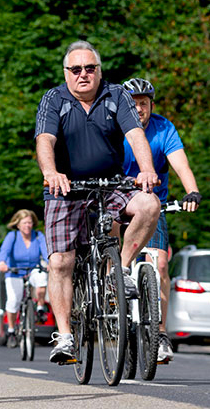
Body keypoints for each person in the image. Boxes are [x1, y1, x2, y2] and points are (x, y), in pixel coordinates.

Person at [35, 41, 161, 364]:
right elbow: (45, 140)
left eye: (90, 68)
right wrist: (51, 173)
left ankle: (119, 268)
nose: (83, 75)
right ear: (66, 74)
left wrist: (147, 169)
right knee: (61, 261)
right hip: (66, 188)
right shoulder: (54, 99)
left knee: (150, 205)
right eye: (75, 69)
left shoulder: (116, 94)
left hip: (110, 183)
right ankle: (64, 336)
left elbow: (135, 135)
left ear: (99, 70)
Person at [121, 78, 201, 364]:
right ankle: (110, 293)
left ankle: (161, 332)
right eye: (133, 103)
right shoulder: (114, 126)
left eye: (143, 103)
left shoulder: (163, 127)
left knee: (161, 264)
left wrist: (191, 190)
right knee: (112, 251)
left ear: (151, 105)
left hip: (154, 205)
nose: (139, 108)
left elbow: (180, 162)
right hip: (118, 202)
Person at [0, 209, 49, 346]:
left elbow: (45, 251)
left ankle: (39, 308)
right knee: (13, 301)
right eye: (25, 223)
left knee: (42, 277)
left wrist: (50, 263)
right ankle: (11, 331)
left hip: (33, 269)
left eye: (30, 223)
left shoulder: (38, 236)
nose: (28, 226)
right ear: (18, 224)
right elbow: (4, 252)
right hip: (14, 271)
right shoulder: (12, 236)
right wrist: (2, 263)